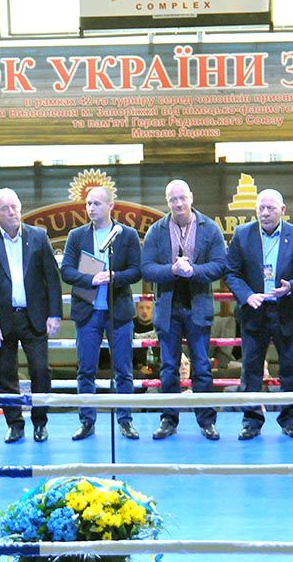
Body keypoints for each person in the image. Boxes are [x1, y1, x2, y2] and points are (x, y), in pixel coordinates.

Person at [225, 189, 293, 440]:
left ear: (283, 210)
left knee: (291, 370)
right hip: (254, 310)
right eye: (261, 208)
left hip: (288, 310)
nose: (265, 213)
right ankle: (251, 421)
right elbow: (231, 273)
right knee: (251, 370)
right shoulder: (242, 234)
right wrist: (247, 295)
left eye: (271, 208)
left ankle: (289, 420)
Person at [0, 188, 62, 444]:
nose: (11, 212)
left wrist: (55, 314)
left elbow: (52, 279)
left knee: (40, 371)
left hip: (35, 317)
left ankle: (40, 422)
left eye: (14, 206)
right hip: (2, 320)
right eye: (5, 208)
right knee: (5, 374)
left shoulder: (38, 236)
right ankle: (14, 424)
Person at [141, 179, 227, 440]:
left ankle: (207, 421)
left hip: (198, 307)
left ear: (191, 197)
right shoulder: (156, 230)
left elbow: (220, 264)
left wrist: (194, 271)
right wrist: (172, 270)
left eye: (182, 198)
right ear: (167, 201)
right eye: (173, 199)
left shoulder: (210, 228)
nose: (178, 203)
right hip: (168, 309)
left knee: (202, 366)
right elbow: (146, 268)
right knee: (168, 367)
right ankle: (169, 419)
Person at [60, 186, 141, 440]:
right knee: (86, 370)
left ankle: (125, 420)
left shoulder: (126, 234)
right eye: (88, 204)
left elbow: (137, 270)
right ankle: (87, 421)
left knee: (124, 371)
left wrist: (115, 276)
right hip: (88, 311)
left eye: (96, 203)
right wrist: (90, 279)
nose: (91, 208)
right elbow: (66, 270)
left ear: (110, 206)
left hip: (119, 312)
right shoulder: (76, 236)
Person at [132, 299, 159, 376]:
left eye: (148, 308)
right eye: (141, 308)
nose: (144, 311)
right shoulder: (130, 326)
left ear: (154, 309)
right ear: (136, 309)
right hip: (136, 369)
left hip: (159, 367)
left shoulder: (161, 324)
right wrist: (138, 368)